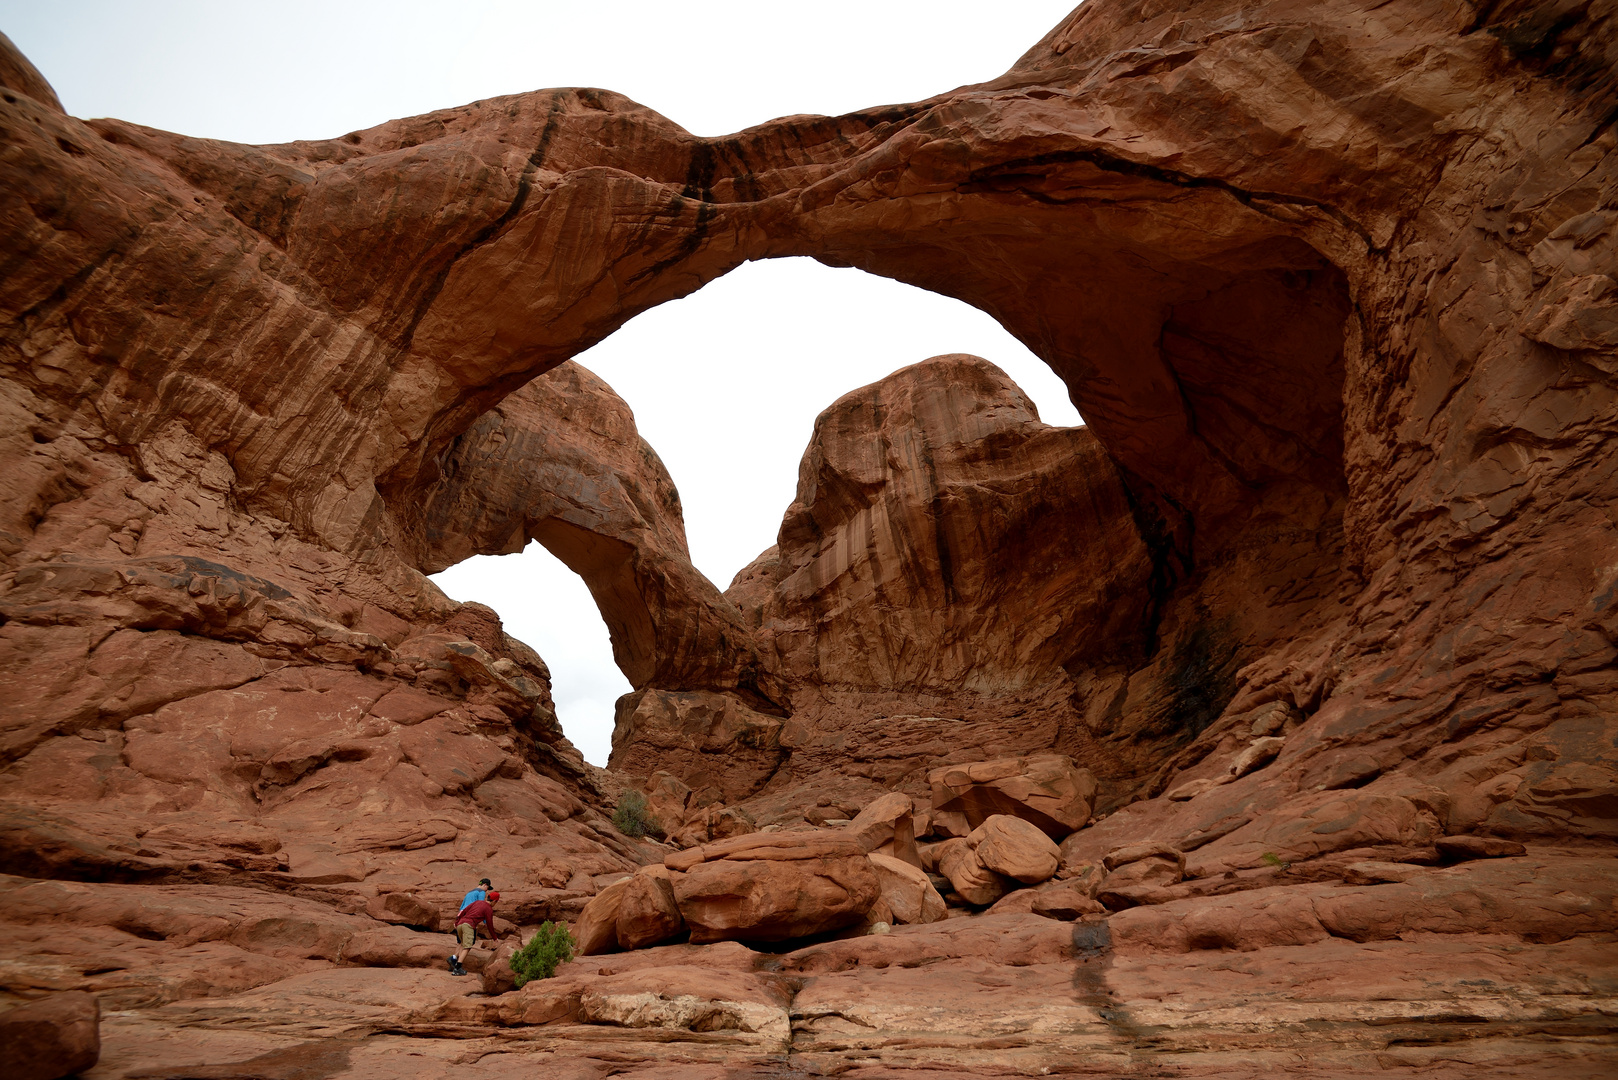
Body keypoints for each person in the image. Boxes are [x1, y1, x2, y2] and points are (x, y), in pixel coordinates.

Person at [447, 890, 501, 976]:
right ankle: (457, 968)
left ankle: (454, 962)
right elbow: (489, 924)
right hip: (468, 925)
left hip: (460, 924)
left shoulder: (477, 902)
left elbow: (464, 911)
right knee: (467, 947)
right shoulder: (488, 909)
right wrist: (494, 938)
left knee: (462, 944)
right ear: (494, 901)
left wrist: (456, 922)